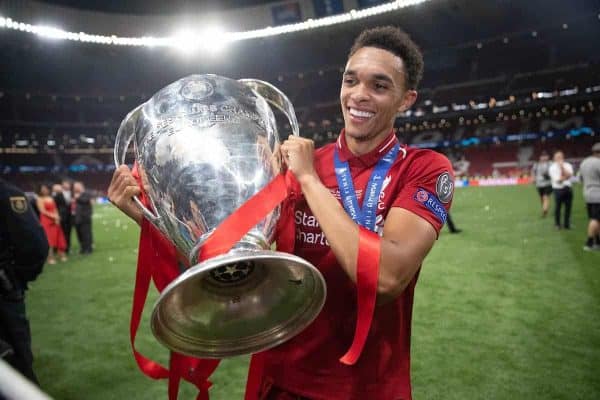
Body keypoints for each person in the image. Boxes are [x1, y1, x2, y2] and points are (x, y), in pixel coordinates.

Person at [108, 26, 454, 400]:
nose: (359, 95)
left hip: (368, 387)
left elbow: (385, 278)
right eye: (350, 80)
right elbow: (237, 261)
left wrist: (308, 180)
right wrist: (149, 219)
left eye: (379, 86)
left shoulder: (424, 169)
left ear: (406, 99)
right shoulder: (296, 164)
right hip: (283, 380)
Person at [0, 178, 49, 388]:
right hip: (4, 299)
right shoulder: (7, 193)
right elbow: (34, 246)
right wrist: (15, 279)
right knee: (17, 371)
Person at [36, 184, 67, 264]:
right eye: (43, 189)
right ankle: (50, 258)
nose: (44, 190)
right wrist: (53, 216)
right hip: (46, 220)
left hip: (55, 220)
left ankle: (61, 254)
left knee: (58, 237)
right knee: (49, 240)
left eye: (45, 189)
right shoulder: (39, 199)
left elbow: (55, 208)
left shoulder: (51, 198)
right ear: (39, 190)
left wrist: (57, 216)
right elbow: (42, 211)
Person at [579, 142, 600, 251]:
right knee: (595, 219)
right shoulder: (598, 162)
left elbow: (580, 178)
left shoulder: (584, 162)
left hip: (587, 193)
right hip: (598, 194)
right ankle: (589, 243)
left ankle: (597, 242)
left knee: (595, 219)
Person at [549, 150, 574, 230]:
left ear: (563, 157)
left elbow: (570, 175)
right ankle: (557, 224)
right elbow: (558, 180)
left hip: (568, 188)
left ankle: (567, 224)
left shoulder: (568, 165)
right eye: (557, 157)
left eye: (561, 156)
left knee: (568, 208)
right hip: (558, 190)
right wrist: (566, 176)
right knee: (558, 208)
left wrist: (562, 167)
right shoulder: (552, 168)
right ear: (554, 158)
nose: (559, 158)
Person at [72, 181, 93, 254]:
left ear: (80, 186)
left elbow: (85, 201)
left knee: (86, 233)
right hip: (76, 217)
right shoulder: (74, 194)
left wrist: (78, 198)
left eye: (76, 186)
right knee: (79, 234)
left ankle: (88, 248)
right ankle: (83, 248)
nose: (74, 188)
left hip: (84, 217)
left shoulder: (86, 193)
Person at [531, 151, 552, 217]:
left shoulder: (550, 164)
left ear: (548, 157)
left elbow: (554, 172)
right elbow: (533, 172)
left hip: (548, 183)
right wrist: (533, 178)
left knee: (545, 197)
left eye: (545, 156)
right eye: (542, 156)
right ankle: (544, 208)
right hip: (539, 184)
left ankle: (544, 210)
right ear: (540, 157)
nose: (544, 157)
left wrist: (548, 175)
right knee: (541, 198)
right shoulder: (536, 164)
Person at [52, 183, 72, 254]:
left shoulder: (70, 193)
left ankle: (67, 248)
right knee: (59, 233)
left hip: (69, 217)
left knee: (67, 233)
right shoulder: (55, 195)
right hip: (60, 217)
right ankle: (56, 248)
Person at [60, 179, 73, 254]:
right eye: (65, 184)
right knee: (62, 233)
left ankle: (67, 248)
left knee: (69, 233)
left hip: (70, 217)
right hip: (62, 217)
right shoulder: (58, 194)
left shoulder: (72, 193)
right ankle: (61, 248)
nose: (67, 185)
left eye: (68, 184)